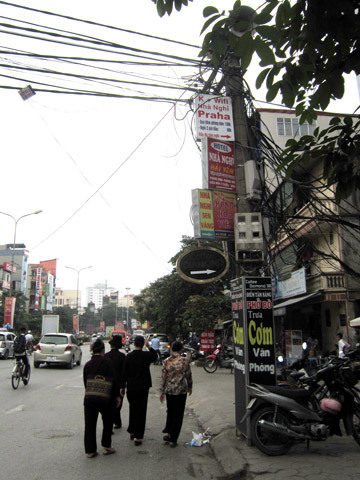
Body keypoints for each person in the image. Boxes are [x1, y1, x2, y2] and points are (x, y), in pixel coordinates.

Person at [83, 338, 121, 458]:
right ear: (103, 350)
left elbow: (85, 382)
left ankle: (90, 450)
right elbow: (113, 380)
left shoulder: (88, 365)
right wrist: (117, 396)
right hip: (106, 398)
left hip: (90, 398)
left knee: (90, 425)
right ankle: (107, 446)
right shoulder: (108, 363)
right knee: (108, 422)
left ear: (92, 350)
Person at [120, 335, 157, 446]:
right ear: (142, 344)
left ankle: (132, 431)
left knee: (133, 409)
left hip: (131, 387)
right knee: (141, 410)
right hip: (143, 387)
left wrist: (122, 387)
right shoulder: (146, 356)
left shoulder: (128, 357)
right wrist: (149, 346)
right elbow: (155, 356)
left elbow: (124, 373)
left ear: (134, 344)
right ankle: (138, 436)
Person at [159, 341, 193, 448]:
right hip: (181, 391)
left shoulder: (166, 361)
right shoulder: (184, 361)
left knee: (170, 411)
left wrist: (162, 391)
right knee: (178, 414)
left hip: (170, 391)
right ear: (181, 350)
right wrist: (190, 386)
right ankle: (173, 439)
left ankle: (167, 432)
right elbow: (188, 375)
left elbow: (163, 377)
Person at [105, 335, 125, 429]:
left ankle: (110, 423)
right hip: (119, 384)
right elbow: (125, 372)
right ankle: (117, 421)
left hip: (108, 383)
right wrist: (123, 386)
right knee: (118, 403)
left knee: (108, 404)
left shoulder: (106, 356)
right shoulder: (122, 356)